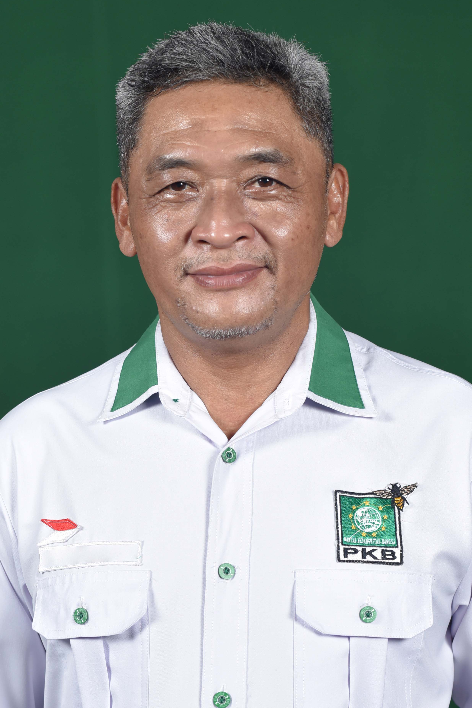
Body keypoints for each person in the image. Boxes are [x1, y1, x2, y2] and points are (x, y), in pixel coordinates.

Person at [0, 21, 470, 708]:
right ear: (125, 217)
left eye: (264, 181)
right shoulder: (27, 456)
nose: (220, 228)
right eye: (177, 187)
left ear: (332, 203)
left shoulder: (454, 438)